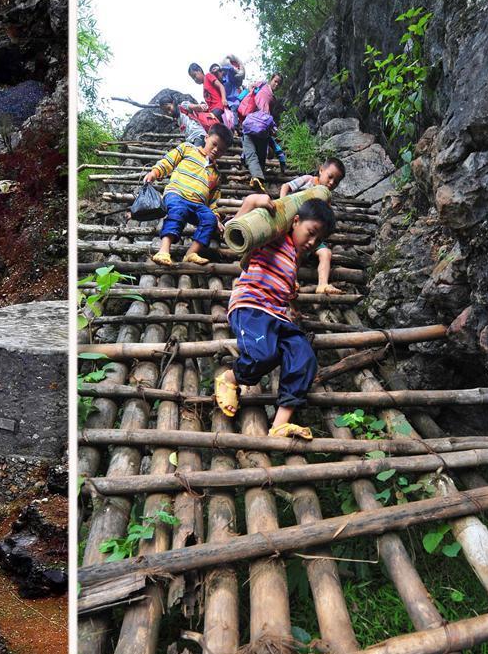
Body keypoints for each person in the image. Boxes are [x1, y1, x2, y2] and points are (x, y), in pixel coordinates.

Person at [214, 194, 336, 440]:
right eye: (311, 233)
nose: (312, 242)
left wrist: (294, 307)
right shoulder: (272, 237)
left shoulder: (294, 258)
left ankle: (279, 425)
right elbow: (235, 229)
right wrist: (252, 200)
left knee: (304, 357)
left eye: (318, 239)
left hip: (278, 316)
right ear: (295, 221)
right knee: (263, 354)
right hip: (251, 307)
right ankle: (229, 378)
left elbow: (288, 288)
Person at [142, 124, 233, 266]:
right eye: (214, 144)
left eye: (221, 150)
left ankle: (191, 253)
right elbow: (168, 161)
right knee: (178, 211)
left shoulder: (216, 173)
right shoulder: (188, 149)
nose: (216, 150)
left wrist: (216, 218)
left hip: (198, 205)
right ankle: (163, 250)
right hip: (176, 194)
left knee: (209, 219)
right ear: (206, 138)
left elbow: (213, 200)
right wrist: (154, 173)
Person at [279, 157, 346, 294]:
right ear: (321, 170)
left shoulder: (327, 196)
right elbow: (286, 186)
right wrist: (282, 204)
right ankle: (292, 280)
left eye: (336, 182)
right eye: (330, 177)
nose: (332, 182)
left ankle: (323, 284)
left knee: (326, 253)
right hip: (299, 230)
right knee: (296, 252)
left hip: (314, 236)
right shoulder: (308, 180)